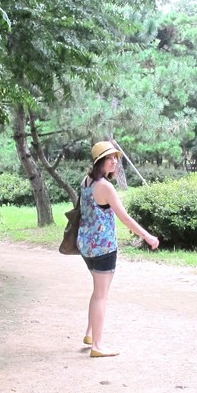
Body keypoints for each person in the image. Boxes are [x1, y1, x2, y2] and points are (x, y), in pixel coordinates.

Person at [77, 140, 159, 358]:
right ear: (99, 161)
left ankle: (89, 334)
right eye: (109, 158)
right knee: (101, 296)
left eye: (115, 158)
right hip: (104, 248)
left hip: (86, 246)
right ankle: (98, 346)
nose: (114, 161)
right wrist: (148, 236)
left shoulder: (86, 182)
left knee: (97, 292)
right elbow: (125, 218)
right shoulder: (105, 187)